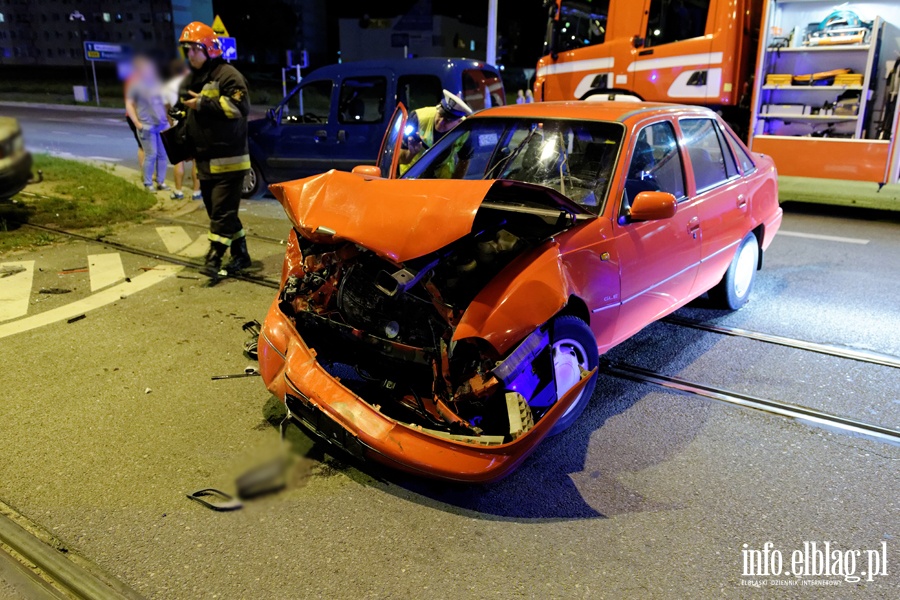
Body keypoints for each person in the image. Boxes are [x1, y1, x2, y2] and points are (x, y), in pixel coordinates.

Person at [176, 21, 252, 277]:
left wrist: (203, 104)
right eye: (187, 50)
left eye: (195, 49)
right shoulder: (194, 78)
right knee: (221, 212)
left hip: (230, 161)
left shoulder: (228, 75)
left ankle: (214, 256)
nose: (190, 55)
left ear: (208, 49)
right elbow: (190, 111)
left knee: (220, 212)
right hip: (205, 161)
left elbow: (239, 108)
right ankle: (241, 254)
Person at [398, 90, 473, 178]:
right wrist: (410, 153)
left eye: (447, 120)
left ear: (458, 122)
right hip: (412, 177)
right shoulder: (417, 118)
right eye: (440, 115)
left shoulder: (465, 129)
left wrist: (454, 186)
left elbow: (464, 161)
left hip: (441, 177)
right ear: (438, 108)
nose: (440, 122)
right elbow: (398, 159)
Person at [125, 55, 169, 191]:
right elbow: (129, 104)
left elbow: (166, 102)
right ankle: (148, 183)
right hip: (147, 126)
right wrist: (137, 123)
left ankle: (160, 182)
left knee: (163, 155)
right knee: (151, 155)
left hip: (161, 125)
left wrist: (166, 119)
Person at [162, 58, 201, 201]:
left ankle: (178, 191)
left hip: (177, 128)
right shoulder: (193, 86)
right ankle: (196, 192)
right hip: (193, 127)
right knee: (196, 161)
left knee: (178, 161)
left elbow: (167, 108)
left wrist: (171, 123)